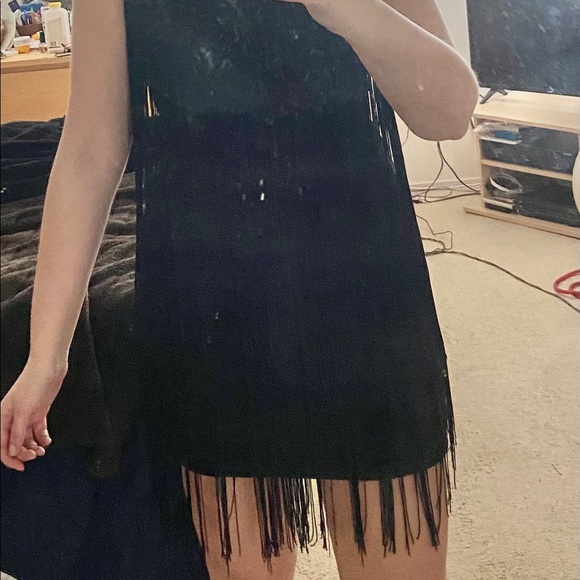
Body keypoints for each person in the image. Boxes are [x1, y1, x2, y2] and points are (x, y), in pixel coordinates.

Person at [1, 1, 478, 579]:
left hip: (365, 297)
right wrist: (47, 356)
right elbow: (88, 154)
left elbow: (449, 114)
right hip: (209, 312)